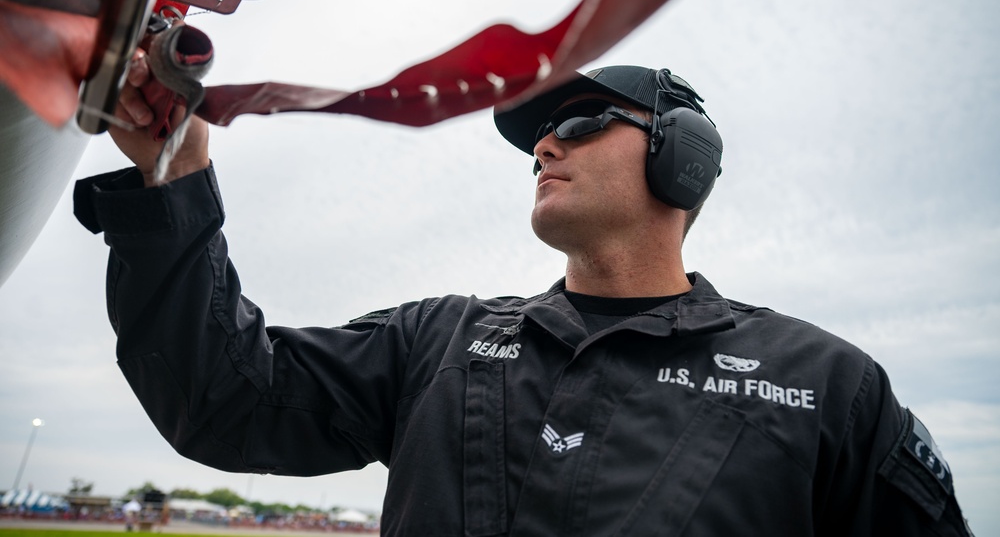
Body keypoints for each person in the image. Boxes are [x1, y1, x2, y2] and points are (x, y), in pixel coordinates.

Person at [74, 60, 973, 536]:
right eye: (536, 137)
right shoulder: (438, 341)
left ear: (682, 156)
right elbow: (222, 400)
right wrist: (170, 182)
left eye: (578, 123)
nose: (545, 147)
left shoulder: (828, 386)